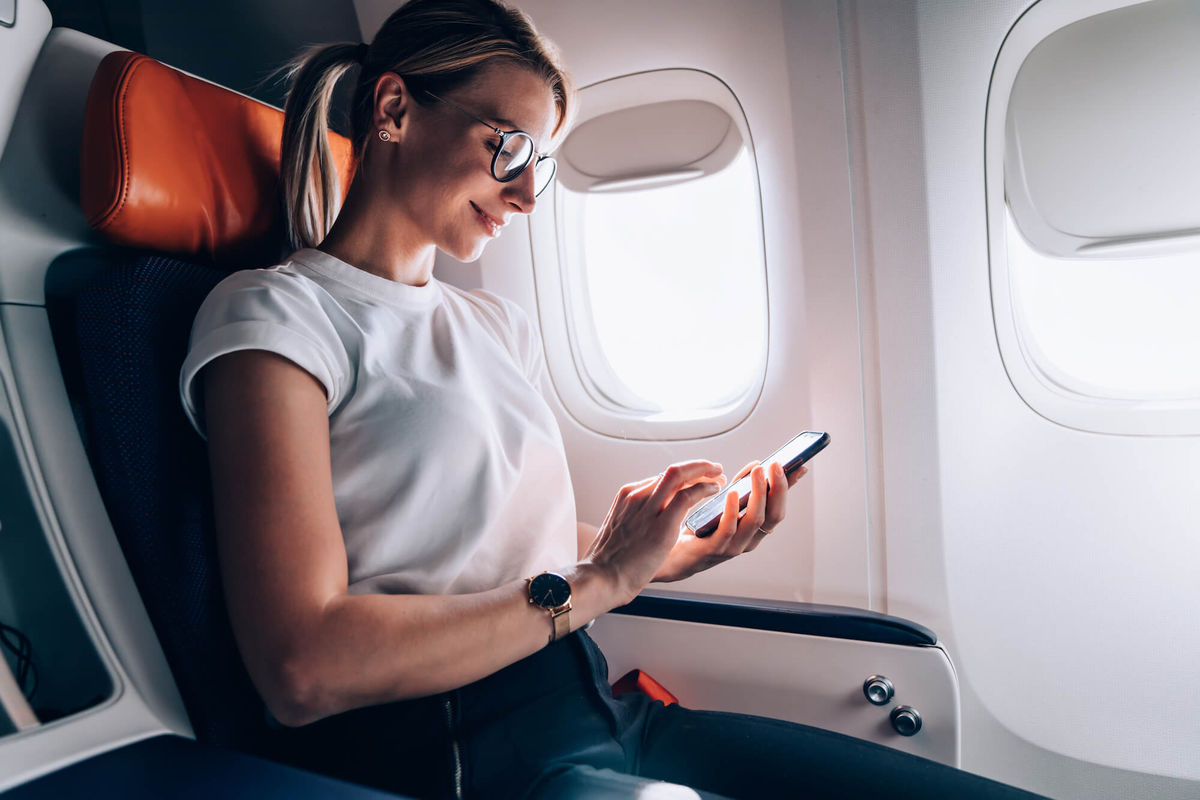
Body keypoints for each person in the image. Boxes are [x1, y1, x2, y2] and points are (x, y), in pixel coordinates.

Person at [179, 1, 1046, 797]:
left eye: (539, 166)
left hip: (600, 712)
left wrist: (667, 548)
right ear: (395, 110)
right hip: (459, 752)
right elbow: (304, 669)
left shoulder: (494, 324)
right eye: (508, 147)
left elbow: (516, 547)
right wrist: (602, 581)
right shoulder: (277, 315)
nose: (524, 194)